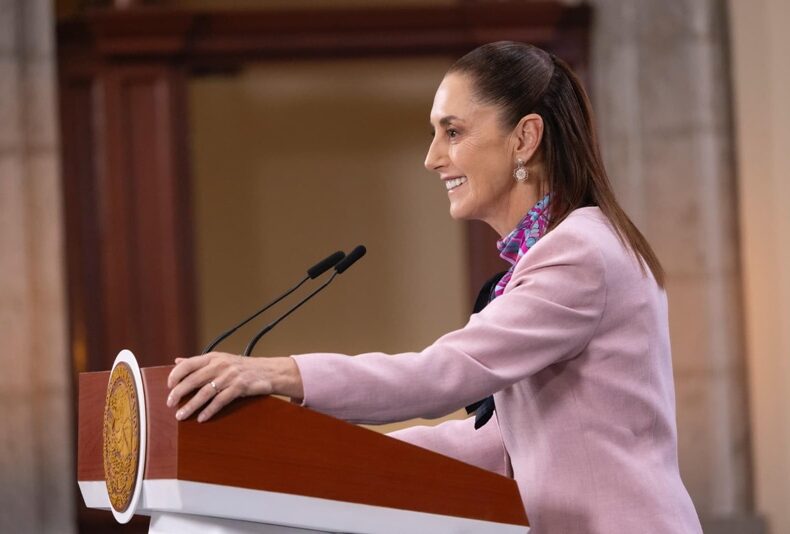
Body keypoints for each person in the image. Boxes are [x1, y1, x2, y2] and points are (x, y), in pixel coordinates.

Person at [167, 42, 703, 533]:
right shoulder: (561, 249)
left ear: (524, 138)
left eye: (453, 132)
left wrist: (279, 374)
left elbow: (442, 373)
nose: (432, 158)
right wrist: (326, 455)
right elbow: (504, 442)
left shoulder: (577, 254)